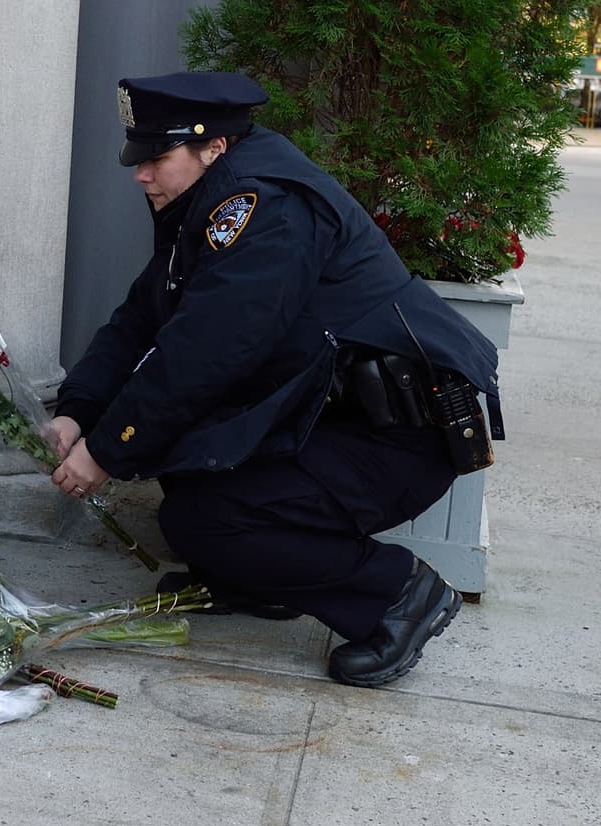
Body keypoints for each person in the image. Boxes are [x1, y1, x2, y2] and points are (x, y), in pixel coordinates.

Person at [48, 71, 503, 688]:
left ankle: (397, 593)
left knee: (204, 520)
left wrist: (104, 451)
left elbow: (204, 352)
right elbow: (142, 318)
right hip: (331, 411)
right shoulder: (210, 197)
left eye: (157, 159)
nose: (142, 175)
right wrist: (78, 408)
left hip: (396, 434)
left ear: (214, 147)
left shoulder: (265, 209)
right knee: (187, 469)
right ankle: (255, 580)